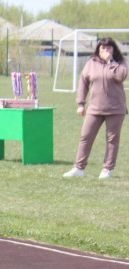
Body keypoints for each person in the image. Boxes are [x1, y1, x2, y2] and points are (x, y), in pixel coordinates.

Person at [63, 37, 128, 180]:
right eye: (103, 48)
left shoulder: (120, 63)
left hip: (115, 109)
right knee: (86, 136)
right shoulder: (91, 63)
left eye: (109, 48)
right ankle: (79, 168)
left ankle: (107, 169)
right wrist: (81, 104)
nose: (106, 51)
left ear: (113, 49)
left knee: (112, 139)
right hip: (95, 108)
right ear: (98, 49)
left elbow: (121, 77)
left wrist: (111, 62)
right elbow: (83, 83)